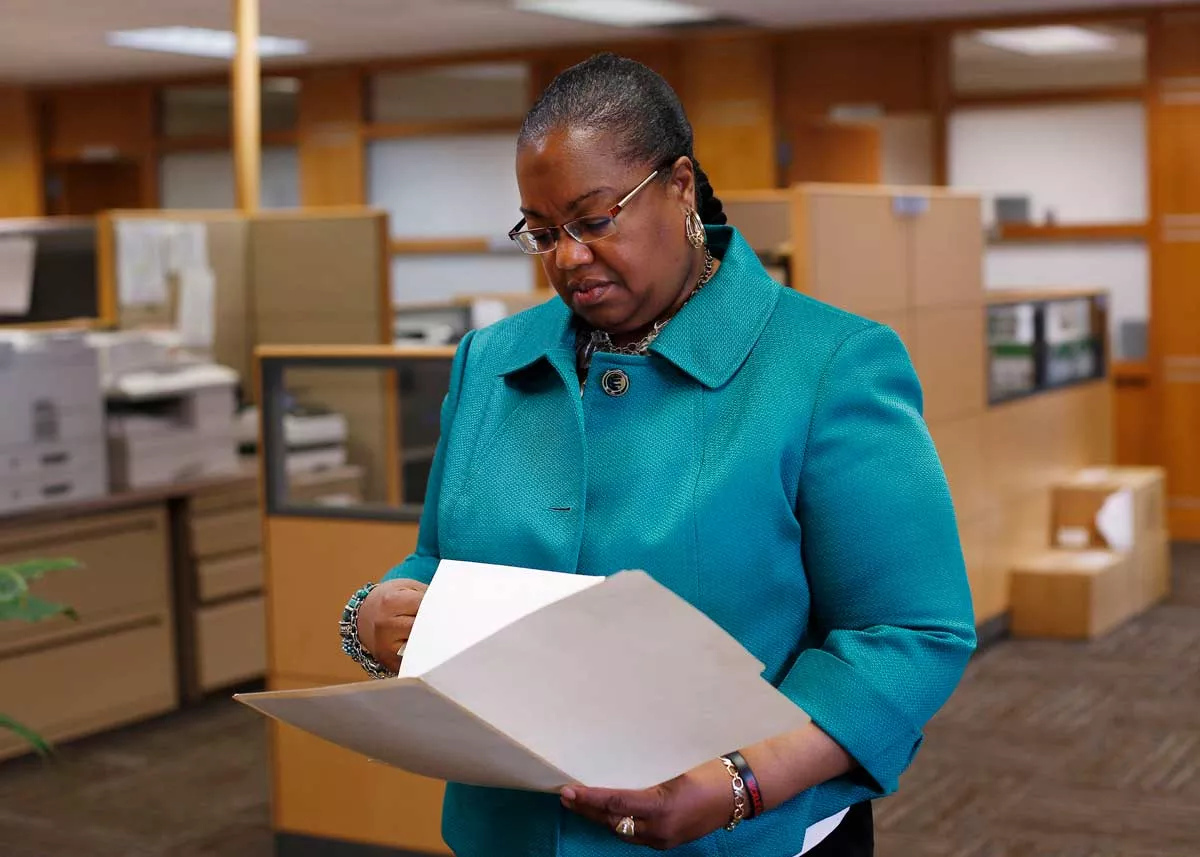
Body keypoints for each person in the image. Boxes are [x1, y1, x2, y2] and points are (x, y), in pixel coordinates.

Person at [341, 53, 976, 857]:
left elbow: (909, 630)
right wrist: (377, 612)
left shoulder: (827, 363)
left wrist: (746, 779)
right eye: (542, 233)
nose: (567, 256)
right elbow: (439, 557)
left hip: (745, 836)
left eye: (595, 219)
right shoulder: (489, 362)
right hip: (510, 832)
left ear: (679, 186)